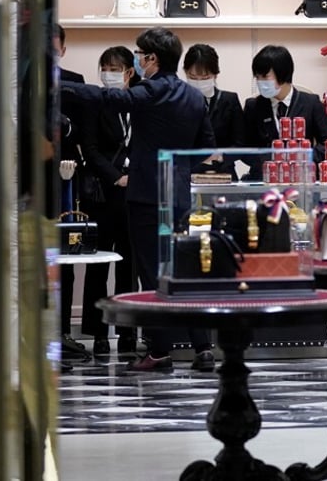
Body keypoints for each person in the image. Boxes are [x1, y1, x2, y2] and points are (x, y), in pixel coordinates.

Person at [63, 27, 217, 372]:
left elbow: (106, 98)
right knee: (183, 271)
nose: (137, 60)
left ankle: (160, 352)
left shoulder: (151, 90)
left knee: (152, 275)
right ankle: (203, 347)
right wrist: (177, 168)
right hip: (178, 196)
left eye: (139, 54)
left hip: (147, 197)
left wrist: (61, 86)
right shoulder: (193, 96)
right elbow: (207, 146)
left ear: (151, 59)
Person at [78, 46, 139, 358]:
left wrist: (135, 175)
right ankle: (99, 333)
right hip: (102, 194)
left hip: (134, 196)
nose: (109, 73)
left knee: (130, 267)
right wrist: (116, 176)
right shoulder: (95, 101)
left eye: (116, 68)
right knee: (98, 266)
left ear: (130, 72)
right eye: (105, 67)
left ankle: (129, 334)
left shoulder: (141, 101)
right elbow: (89, 148)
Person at [53, 25, 90, 359]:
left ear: (63, 48)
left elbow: (84, 128)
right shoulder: (20, 82)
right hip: (31, 178)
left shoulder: (75, 81)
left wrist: (66, 127)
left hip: (68, 174)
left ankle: (64, 331)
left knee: (67, 252)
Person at [243, 44, 327, 179]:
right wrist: (272, 158)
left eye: (265, 77)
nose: (260, 82)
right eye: (257, 78)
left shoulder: (311, 103)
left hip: (303, 181)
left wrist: (301, 157)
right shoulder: (254, 106)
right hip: (265, 181)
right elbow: (245, 149)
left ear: (283, 74)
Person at [183, 43, 245, 179]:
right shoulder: (178, 103)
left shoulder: (229, 100)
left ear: (215, 75)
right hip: (188, 175)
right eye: (193, 77)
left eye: (205, 78)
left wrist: (220, 155)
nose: (199, 82)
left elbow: (241, 144)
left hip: (224, 174)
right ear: (185, 72)